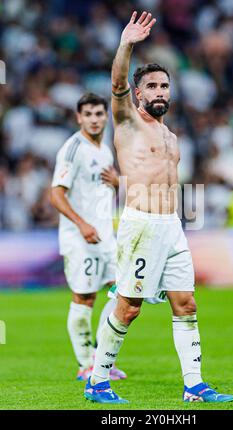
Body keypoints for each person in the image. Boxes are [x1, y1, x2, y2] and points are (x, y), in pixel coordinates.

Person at [84, 12, 233, 404]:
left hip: (171, 227)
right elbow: (116, 82)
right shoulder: (129, 122)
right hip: (141, 225)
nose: (159, 91)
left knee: (186, 303)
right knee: (129, 308)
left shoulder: (170, 136)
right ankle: (98, 381)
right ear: (138, 94)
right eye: (151, 86)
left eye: (164, 85)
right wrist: (126, 44)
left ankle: (194, 385)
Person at [51, 93, 126, 381]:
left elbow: (104, 190)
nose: (94, 119)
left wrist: (119, 183)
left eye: (99, 114)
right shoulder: (72, 149)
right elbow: (56, 194)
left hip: (106, 235)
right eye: (88, 114)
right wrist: (81, 224)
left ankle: (101, 357)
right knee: (84, 298)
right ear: (78, 118)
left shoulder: (105, 150)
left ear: (106, 116)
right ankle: (85, 364)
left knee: (122, 292)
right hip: (80, 237)